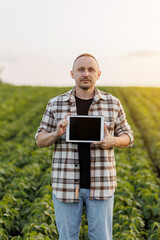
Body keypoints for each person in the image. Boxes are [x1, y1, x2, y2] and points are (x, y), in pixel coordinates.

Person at [35, 53, 134, 240]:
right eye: (81, 69)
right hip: (65, 184)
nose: (86, 73)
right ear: (72, 73)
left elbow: (128, 136)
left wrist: (114, 141)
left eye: (91, 69)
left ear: (98, 74)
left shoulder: (112, 103)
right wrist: (56, 133)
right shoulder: (56, 104)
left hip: (101, 185)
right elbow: (40, 140)